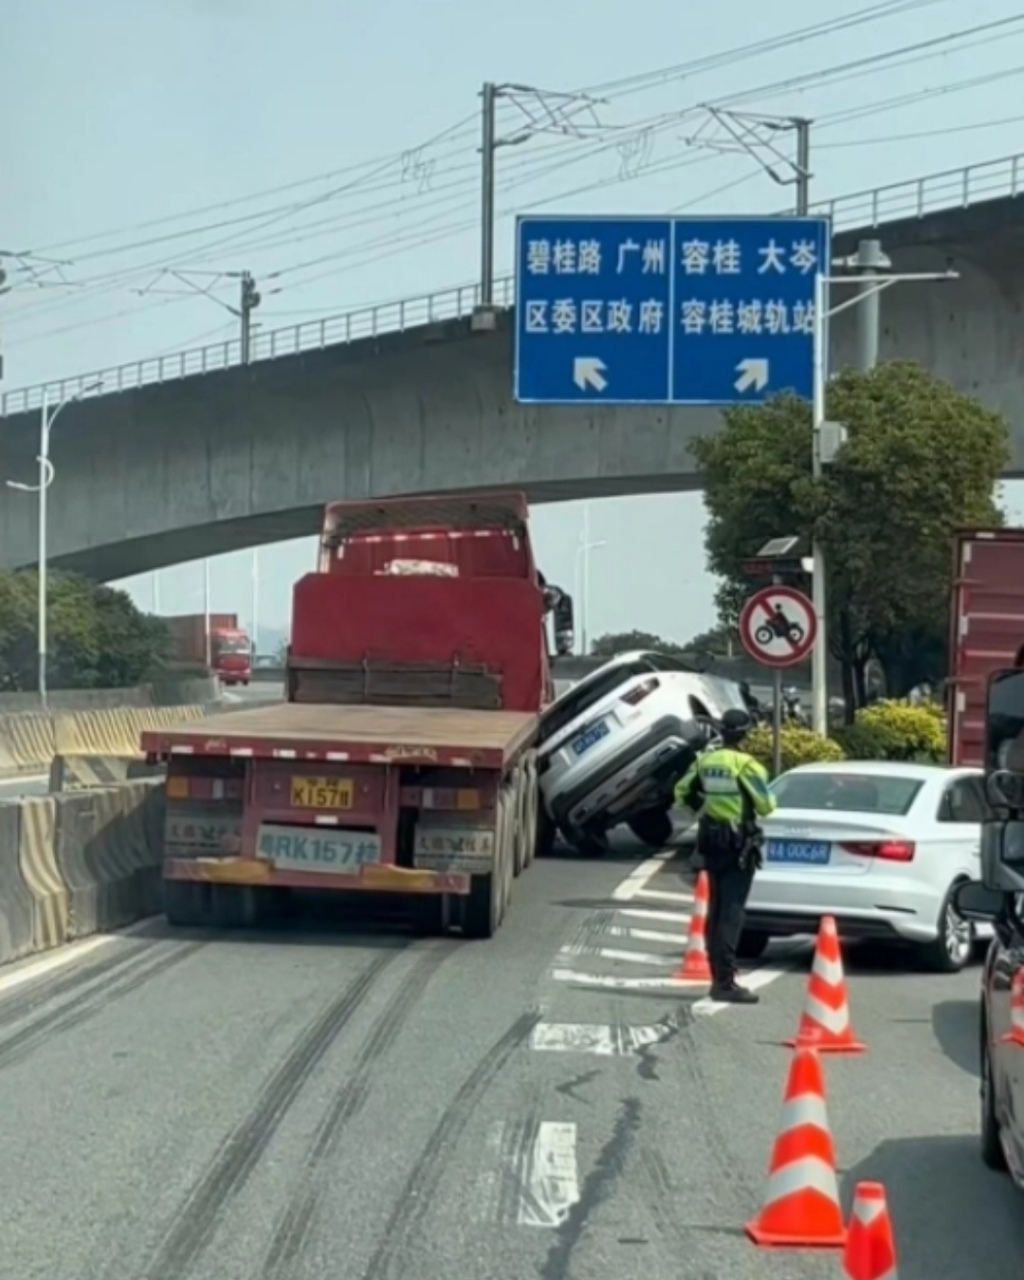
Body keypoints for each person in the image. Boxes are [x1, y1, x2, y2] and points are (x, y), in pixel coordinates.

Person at [674, 709, 777, 1003]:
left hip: (710, 842)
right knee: (732, 912)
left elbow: (682, 793)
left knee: (716, 910)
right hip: (738, 844)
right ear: (745, 733)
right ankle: (725, 982)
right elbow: (767, 805)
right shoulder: (745, 765)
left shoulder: (705, 761)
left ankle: (717, 975)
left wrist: (706, 810)